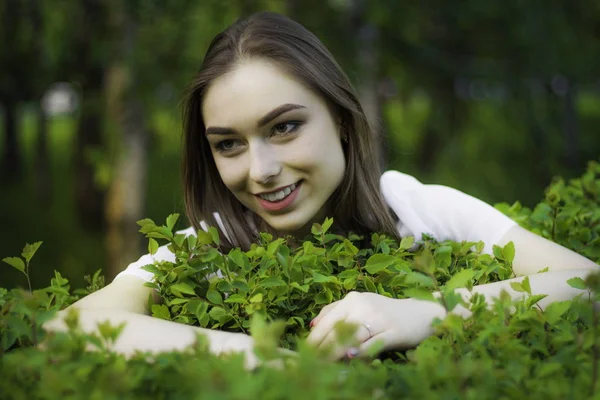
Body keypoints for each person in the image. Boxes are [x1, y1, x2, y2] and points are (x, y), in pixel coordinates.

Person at [45, 11, 599, 367]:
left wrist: (419, 314)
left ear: (338, 116)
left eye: (284, 127)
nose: (260, 170)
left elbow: (587, 283)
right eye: (228, 144)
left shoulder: (414, 206)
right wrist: (250, 354)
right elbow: (64, 329)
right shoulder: (201, 250)